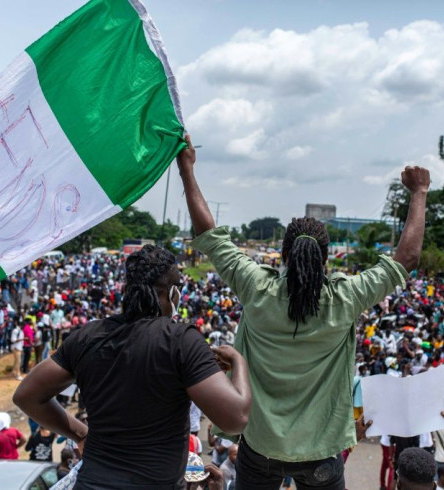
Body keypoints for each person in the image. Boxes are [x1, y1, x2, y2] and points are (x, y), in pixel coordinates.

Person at [179, 133, 430, 489]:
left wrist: (186, 168)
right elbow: (406, 259)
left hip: (260, 445)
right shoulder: (346, 298)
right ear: (326, 259)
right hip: (320, 452)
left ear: (282, 254)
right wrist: (419, 193)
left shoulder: (256, 287)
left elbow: (208, 233)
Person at [13, 243, 252, 489]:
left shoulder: (88, 336)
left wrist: (81, 433)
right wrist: (238, 361)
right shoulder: (180, 340)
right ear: (172, 293)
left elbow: (27, 395)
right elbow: (236, 418)